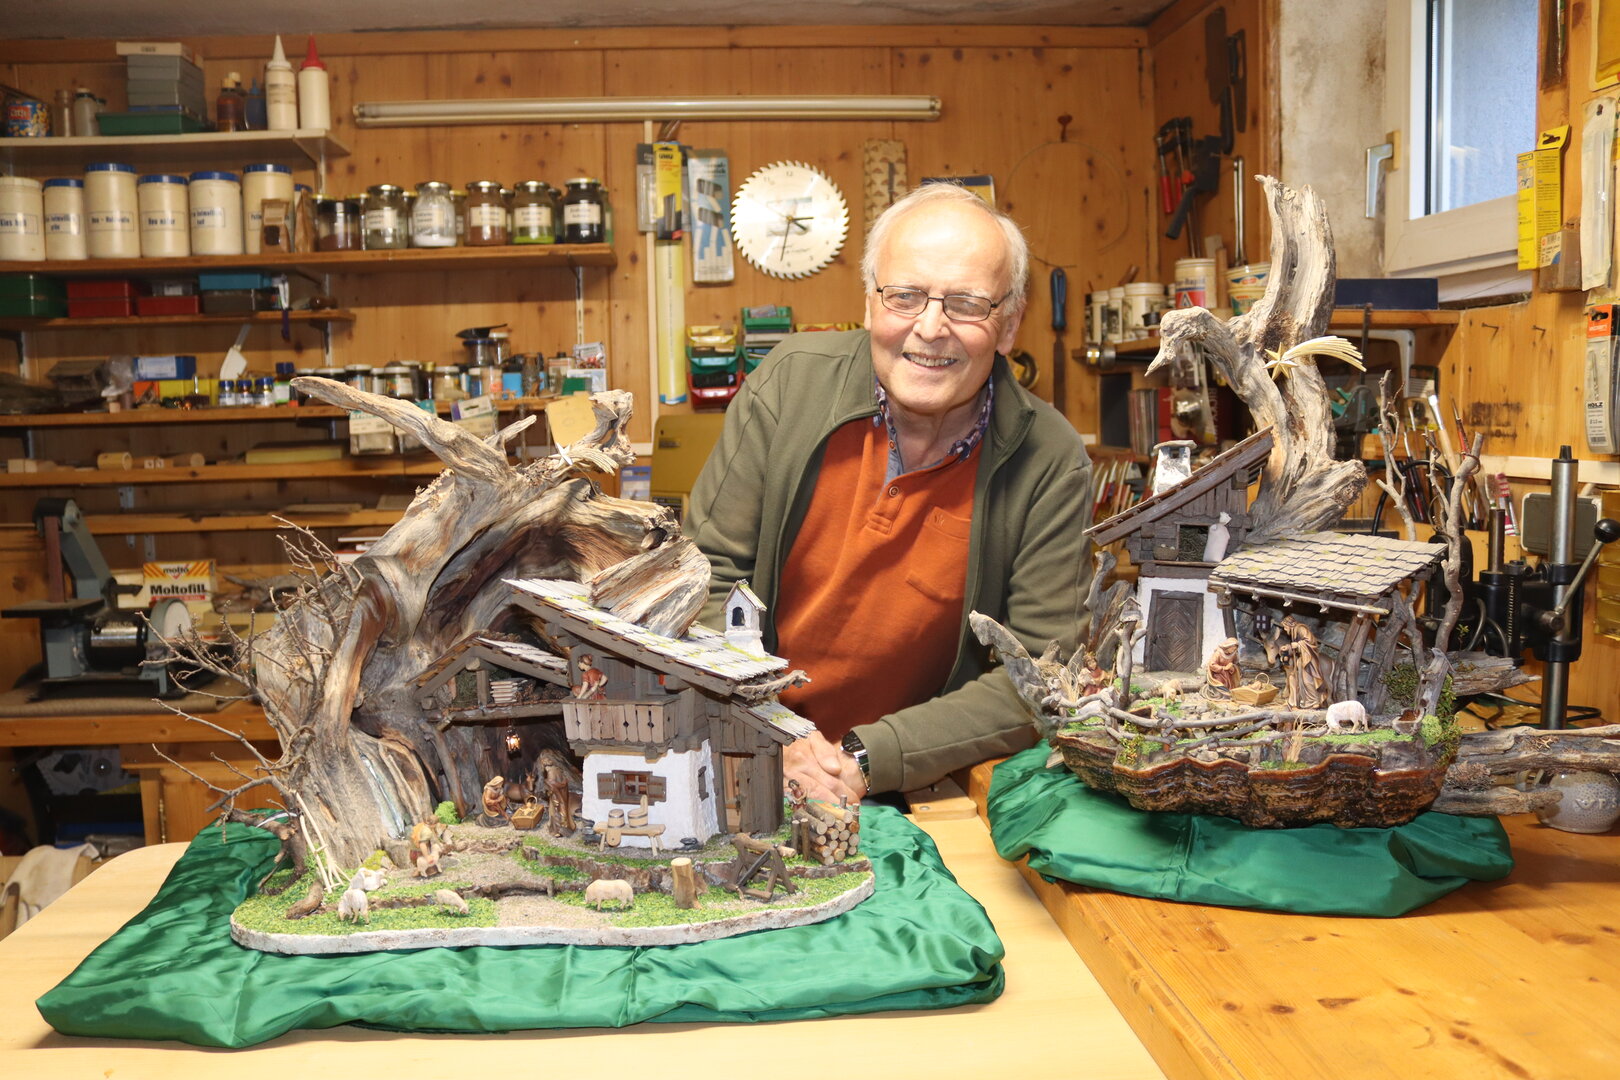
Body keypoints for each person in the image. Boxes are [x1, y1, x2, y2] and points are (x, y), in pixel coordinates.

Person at [685, 182, 1093, 804]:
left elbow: (1038, 672)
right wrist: (769, 727)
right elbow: (703, 580)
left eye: (966, 304)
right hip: (743, 747)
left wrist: (866, 759)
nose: (930, 328)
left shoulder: (1052, 461)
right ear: (870, 303)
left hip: (920, 784)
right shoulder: (787, 387)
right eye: (905, 296)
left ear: (1008, 325)